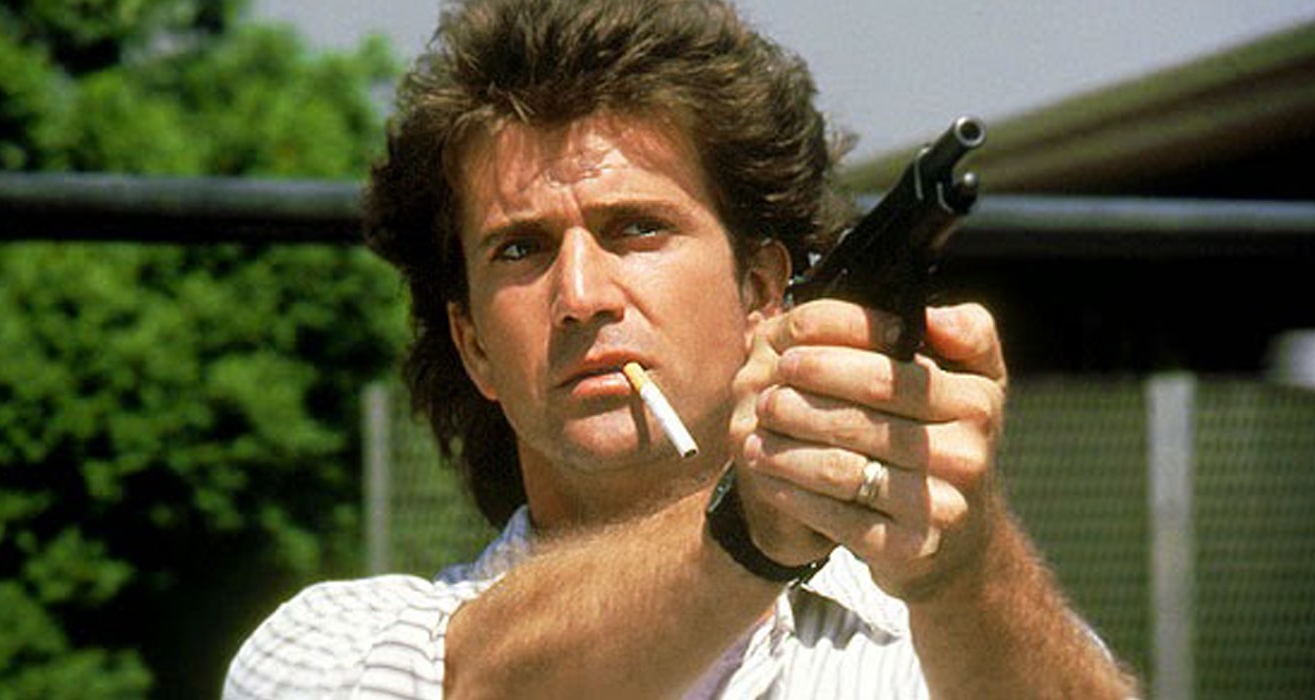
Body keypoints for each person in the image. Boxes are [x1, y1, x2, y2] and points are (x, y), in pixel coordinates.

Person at [225, 0, 1139, 697]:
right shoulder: (332, 648)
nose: (581, 296)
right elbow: (480, 683)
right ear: (474, 348)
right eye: (520, 249)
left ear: (762, 293)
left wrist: (964, 569)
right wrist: (748, 525)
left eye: (635, 229)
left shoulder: (937, 645)